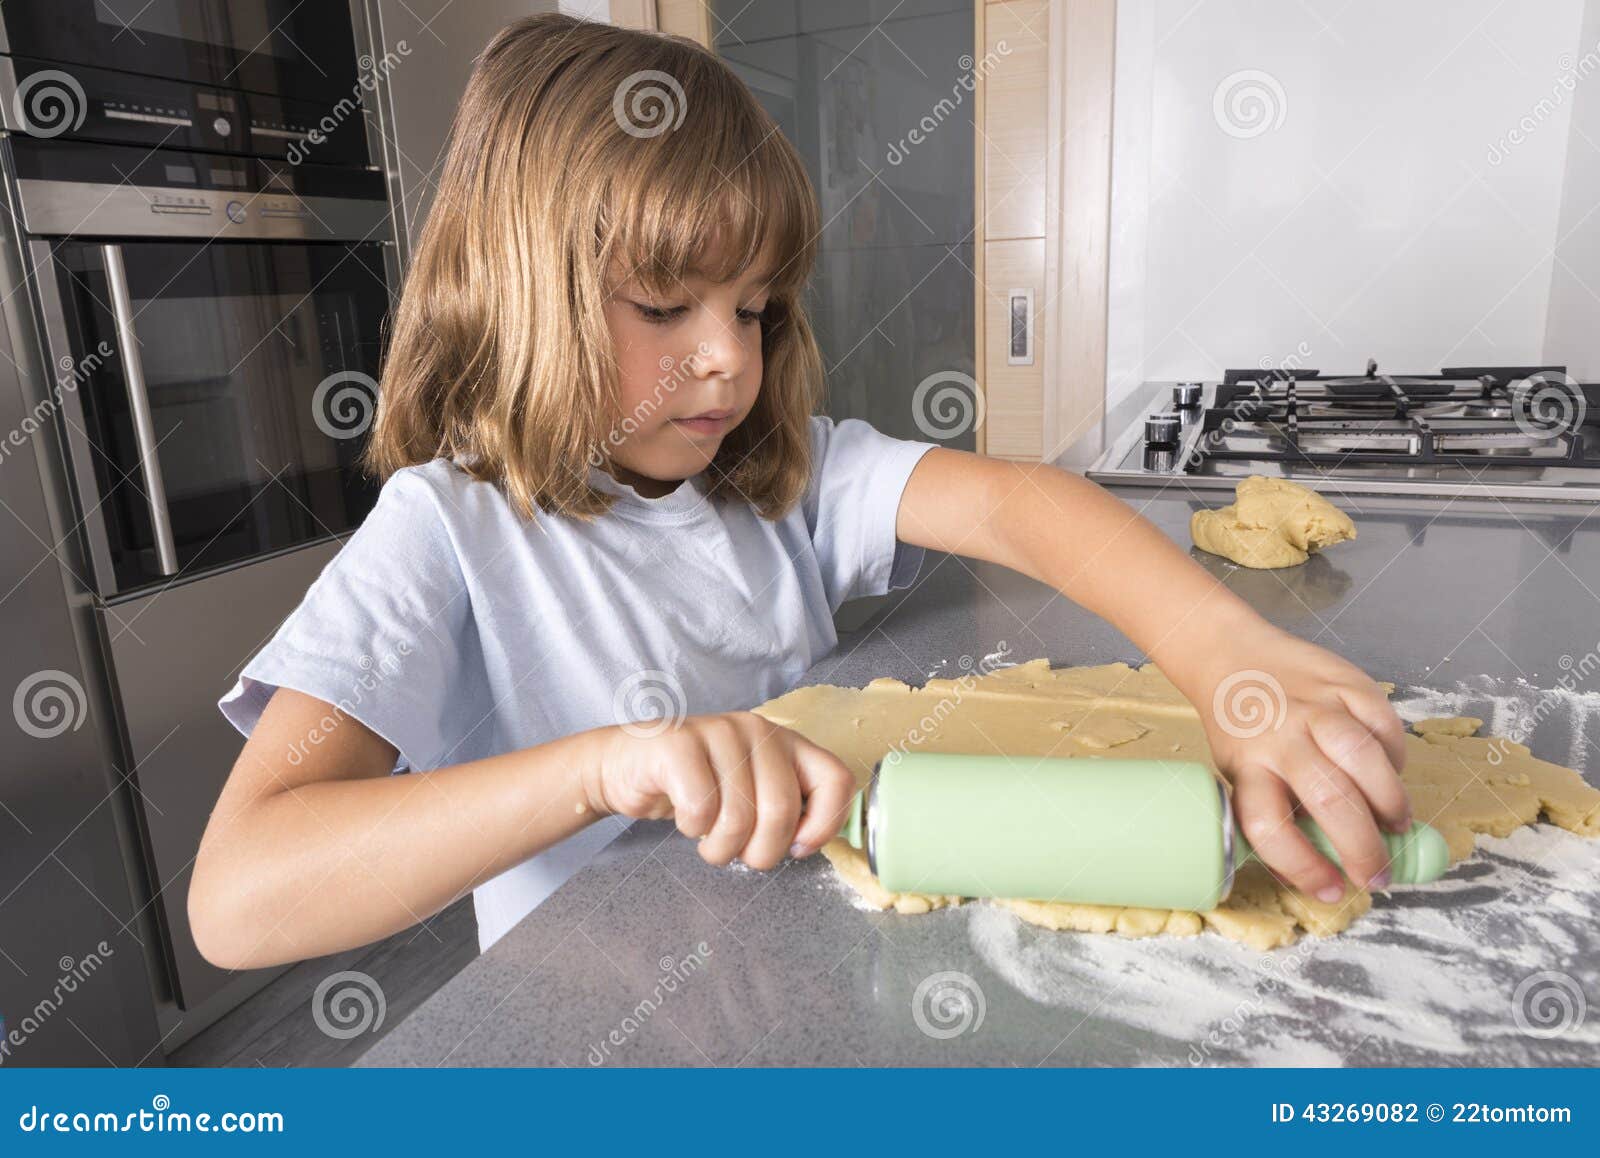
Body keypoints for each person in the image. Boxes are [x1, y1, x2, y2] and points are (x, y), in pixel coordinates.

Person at [190, 14, 1410, 969]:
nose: (727, 354)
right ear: (515, 292)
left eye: (757, 307)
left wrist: (1224, 660)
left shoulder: (781, 480)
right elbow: (241, 898)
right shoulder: (448, 536)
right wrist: (603, 767)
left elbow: (1015, 506)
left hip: (812, 967)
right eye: (666, 306)